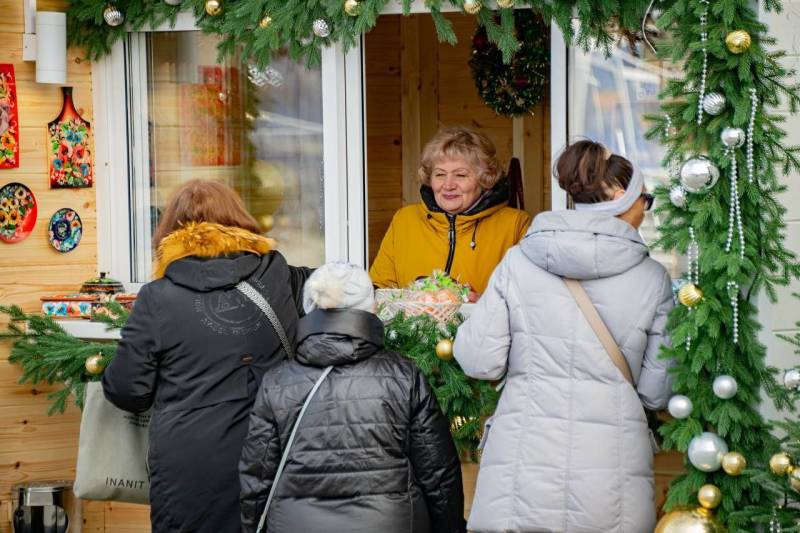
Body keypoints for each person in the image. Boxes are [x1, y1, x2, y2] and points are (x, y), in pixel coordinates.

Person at [453, 140, 674, 532]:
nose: (646, 209)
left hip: (520, 465)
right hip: (611, 473)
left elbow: (479, 358)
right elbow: (657, 391)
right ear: (622, 199)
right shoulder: (652, 279)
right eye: (647, 199)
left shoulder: (519, 261)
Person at [102, 180, 311, 533]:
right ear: (239, 221)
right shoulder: (277, 274)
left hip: (190, 466)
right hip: (274, 455)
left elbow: (127, 390)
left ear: (170, 231)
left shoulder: (157, 297)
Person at [239, 262, 466, 533]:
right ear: (371, 309)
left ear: (309, 309)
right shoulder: (404, 377)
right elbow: (438, 474)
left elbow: (257, 478)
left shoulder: (276, 383)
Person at [369, 127, 531, 298]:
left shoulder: (515, 224)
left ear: (485, 178)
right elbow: (379, 288)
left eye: (460, 175)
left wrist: (482, 304)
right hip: (410, 324)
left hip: (481, 324)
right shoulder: (404, 219)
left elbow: (528, 299)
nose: (448, 185)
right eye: (440, 174)